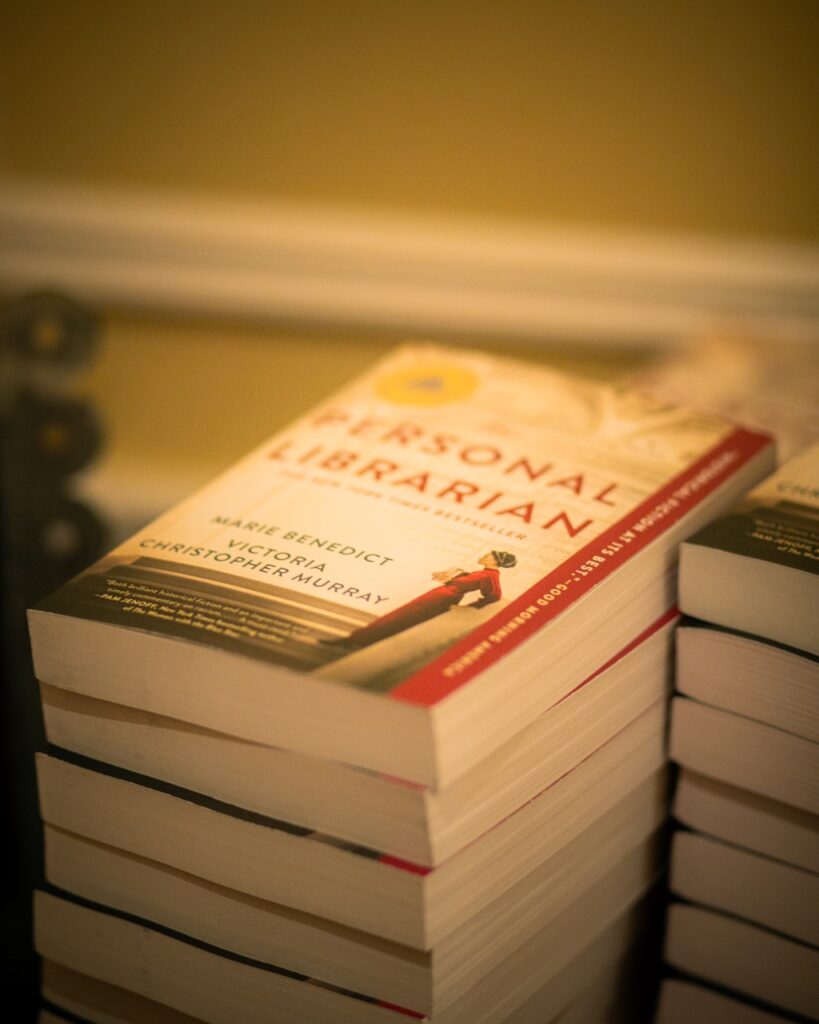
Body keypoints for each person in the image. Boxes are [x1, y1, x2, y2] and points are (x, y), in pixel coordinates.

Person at [326, 550, 517, 650]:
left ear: (495, 561)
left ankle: (358, 640)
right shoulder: (483, 572)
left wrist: (468, 607)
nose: (483, 556)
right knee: (399, 616)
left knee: (403, 619)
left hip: (441, 600)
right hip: (437, 595)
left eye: (487, 555)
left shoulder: (491, 576)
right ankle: (357, 639)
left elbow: (494, 596)